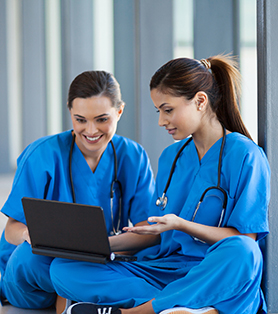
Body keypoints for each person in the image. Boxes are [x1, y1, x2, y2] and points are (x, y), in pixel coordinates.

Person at [50, 55, 270, 314]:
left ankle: (136, 312)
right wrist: (100, 244)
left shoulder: (245, 155)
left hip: (214, 268)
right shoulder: (172, 157)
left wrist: (181, 224)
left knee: (244, 253)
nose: (161, 121)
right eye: (159, 111)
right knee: (63, 268)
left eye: (168, 110)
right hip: (164, 269)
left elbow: (245, 237)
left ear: (200, 101)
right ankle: (191, 306)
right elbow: (159, 235)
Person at [0, 71, 155, 311]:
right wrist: (29, 235)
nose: (91, 131)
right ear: (70, 113)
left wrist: (106, 245)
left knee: (147, 258)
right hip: (39, 268)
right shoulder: (42, 154)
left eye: (102, 119)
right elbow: (11, 230)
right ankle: (84, 296)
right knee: (30, 259)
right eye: (80, 119)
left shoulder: (133, 156)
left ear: (119, 111)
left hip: (101, 260)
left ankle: (81, 298)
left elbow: (149, 231)